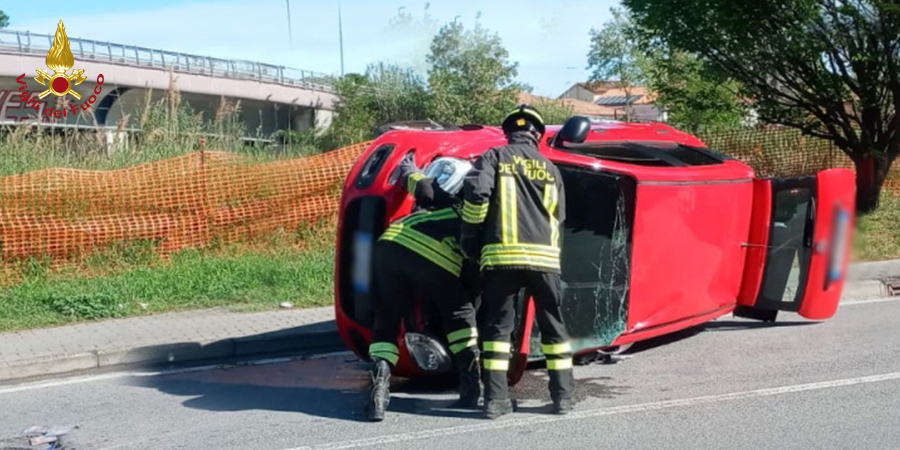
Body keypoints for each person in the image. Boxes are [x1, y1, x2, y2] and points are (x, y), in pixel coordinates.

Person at [460, 104, 574, 419]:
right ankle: (563, 397)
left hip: (502, 258)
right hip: (546, 261)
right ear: (537, 135)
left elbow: (476, 198)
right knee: (554, 327)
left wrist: (469, 239)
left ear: (508, 133)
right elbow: (558, 217)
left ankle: (495, 401)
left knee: (497, 330)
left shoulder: (493, 158)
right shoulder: (552, 169)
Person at [364, 157, 482, 422]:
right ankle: (471, 387)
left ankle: (378, 396)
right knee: (460, 313)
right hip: (431, 254)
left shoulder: (449, 201)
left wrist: (407, 167)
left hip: (390, 244)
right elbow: (473, 282)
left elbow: (423, 188)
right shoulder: (480, 219)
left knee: (387, 321)